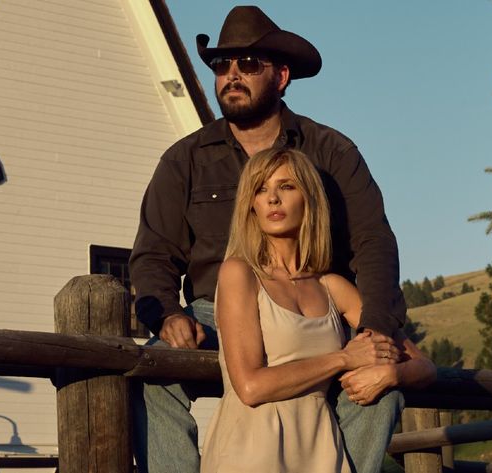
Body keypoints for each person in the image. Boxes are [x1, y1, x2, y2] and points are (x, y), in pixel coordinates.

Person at [130, 6, 410, 472]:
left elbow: (374, 242)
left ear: (281, 76)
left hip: (313, 309)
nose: (231, 76)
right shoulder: (184, 160)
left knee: (381, 389)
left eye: (247, 65)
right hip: (216, 312)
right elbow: (153, 252)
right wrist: (168, 313)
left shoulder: (331, 152)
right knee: (153, 377)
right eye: (222, 66)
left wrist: (374, 328)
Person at [200, 148, 435, 472]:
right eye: (261, 189)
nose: (272, 199)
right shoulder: (240, 273)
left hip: (322, 451)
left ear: (308, 197)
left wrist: (391, 374)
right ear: (251, 205)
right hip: (251, 449)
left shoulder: (332, 286)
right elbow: (251, 387)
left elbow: (425, 366)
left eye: (286, 186)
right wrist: (344, 358)